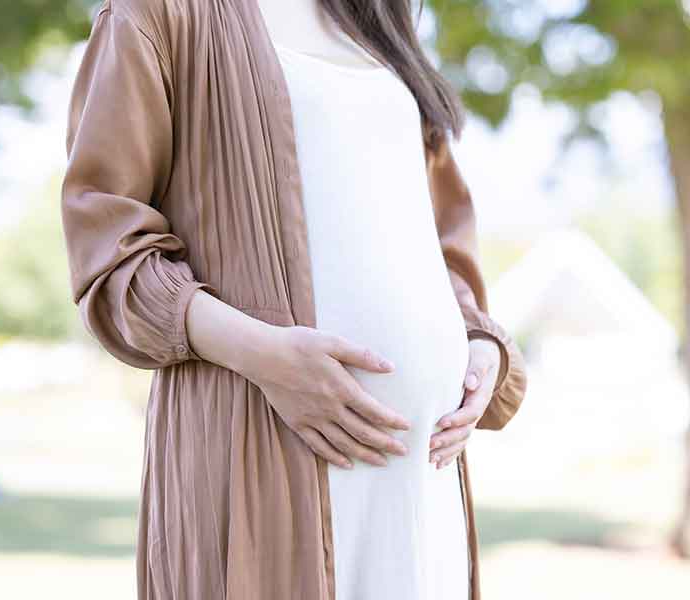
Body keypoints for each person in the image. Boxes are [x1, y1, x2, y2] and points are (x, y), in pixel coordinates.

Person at [60, 1, 528, 599]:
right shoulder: (159, 13)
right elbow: (107, 249)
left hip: (422, 476)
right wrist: (263, 355)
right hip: (261, 448)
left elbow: (436, 237)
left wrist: (477, 340)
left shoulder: (383, 15)